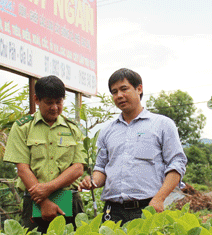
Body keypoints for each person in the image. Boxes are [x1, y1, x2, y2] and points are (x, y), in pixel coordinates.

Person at [79, 68, 187, 224]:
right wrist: (92, 181)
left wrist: (159, 199)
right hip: (112, 211)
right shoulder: (107, 131)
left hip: (149, 207)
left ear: (139, 89)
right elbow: (101, 168)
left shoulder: (162, 125)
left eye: (124, 89)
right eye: (114, 92)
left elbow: (177, 164)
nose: (119, 96)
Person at [3, 75, 86, 233]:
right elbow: (22, 169)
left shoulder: (74, 128)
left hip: (69, 198)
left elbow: (78, 168)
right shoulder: (22, 127)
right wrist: (44, 202)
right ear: (36, 99)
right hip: (35, 202)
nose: (54, 107)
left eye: (59, 102)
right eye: (49, 102)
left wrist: (48, 188)